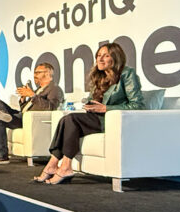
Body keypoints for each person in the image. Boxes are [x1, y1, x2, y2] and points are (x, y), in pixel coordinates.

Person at [38, 43, 145, 185]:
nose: (100, 59)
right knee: (66, 119)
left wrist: (106, 108)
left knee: (71, 120)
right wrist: (89, 105)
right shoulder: (99, 76)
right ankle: (53, 164)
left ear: (116, 57)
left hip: (112, 121)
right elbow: (92, 99)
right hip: (96, 118)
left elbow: (138, 105)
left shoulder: (127, 74)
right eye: (99, 56)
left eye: (105, 55)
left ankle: (64, 166)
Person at [0, 62, 64, 164]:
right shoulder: (39, 89)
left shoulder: (55, 89)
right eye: (35, 72)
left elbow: (51, 107)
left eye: (38, 72)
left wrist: (32, 95)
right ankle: (6, 116)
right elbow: (25, 108)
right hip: (22, 115)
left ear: (48, 73)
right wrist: (23, 99)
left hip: (30, 120)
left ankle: (2, 155)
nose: (34, 75)